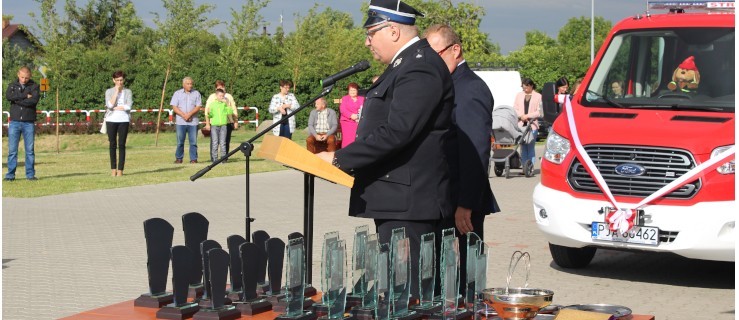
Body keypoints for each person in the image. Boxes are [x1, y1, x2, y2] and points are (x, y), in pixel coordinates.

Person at [317, 0, 454, 297]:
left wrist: (339, 158)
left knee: (409, 295)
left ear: (392, 30)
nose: (367, 42)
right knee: (398, 291)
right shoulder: (408, 65)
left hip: (408, 203)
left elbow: (398, 131)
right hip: (397, 198)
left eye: (370, 33)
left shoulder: (420, 67)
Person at [425, 23, 501, 294]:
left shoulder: (469, 89)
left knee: (467, 285)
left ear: (455, 49)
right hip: (445, 201)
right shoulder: (447, 85)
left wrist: (466, 204)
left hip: (461, 205)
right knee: (446, 283)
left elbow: (476, 150)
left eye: (436, 54)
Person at [4, 66, 40, 181]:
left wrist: (17, 100)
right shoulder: (12, 85)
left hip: (28, 122)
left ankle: (30, 175)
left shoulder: (34, 86)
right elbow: (9, 96)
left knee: (29, 150)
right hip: (14, 122)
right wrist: (25, 96)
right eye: (22, 77)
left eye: (26, 78)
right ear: (18, 75)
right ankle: (10, 175)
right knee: (12, 151)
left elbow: (33, 101)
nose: (24, 80)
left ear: (30, 77)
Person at [104, 70, 132, 177]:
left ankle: (120, 169)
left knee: (121, 145)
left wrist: (119, 107)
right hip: (111, 120)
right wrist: (116, 92)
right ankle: (113, 169)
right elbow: (110, 105)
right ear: (113, 80)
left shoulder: (128, 92)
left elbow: (128, 106)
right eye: (117, 80)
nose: (119, 82)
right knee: (112, 144)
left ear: (124, 80)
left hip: (124, 120)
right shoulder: (109, 91)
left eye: (121, 80)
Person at [170, 77, 202, 164]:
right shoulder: (177, 93)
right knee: (180, 141)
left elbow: (198, 106)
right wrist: (184, 115)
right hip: (181, 122)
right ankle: (179, 158)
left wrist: (189, 114)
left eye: (191, 84)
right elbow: (174, 107)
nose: (190, 85)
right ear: (183, 85)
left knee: (193, 142)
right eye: (188, 84)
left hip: (193, 122)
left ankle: (193, 159)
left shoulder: (196, 93)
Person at [513, 77, 542, 170]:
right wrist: (521, 116)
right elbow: (515, 108)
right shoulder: (519, 95)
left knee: (530, 146)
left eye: (526, 87)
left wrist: (527, 116)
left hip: (532, 125)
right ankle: (524, 167)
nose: (524, 89)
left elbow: (539, 111)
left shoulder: (538, 96)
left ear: (531, 86)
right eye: (523, 87)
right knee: (522, 146)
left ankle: (530, 167)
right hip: (521, 125)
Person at [205, 80, 239, 155]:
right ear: (216, 89)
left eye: (222, 87)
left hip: (227, 122)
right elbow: (207, 110)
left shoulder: (228, 97)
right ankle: (214, 158)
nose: (221, 89)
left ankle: (224, 157)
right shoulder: (212, 97)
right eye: (219, 87)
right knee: (214, 141)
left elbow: (233, 109)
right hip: (214, 122)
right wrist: (207, 123)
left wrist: (235, 121)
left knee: (226, 141)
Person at [339, 83, 364, 148]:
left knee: (358, 139)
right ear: (348, 91)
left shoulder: (362, 99)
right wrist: (351, 115)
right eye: (351, 90)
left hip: (359, 122)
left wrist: (359, 117)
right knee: (348, 139)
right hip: (347, 121)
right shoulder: (345, 98)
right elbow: (342, 109)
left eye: (354, 90)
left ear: (357, 91)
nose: (352, 92)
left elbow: (365, 109)